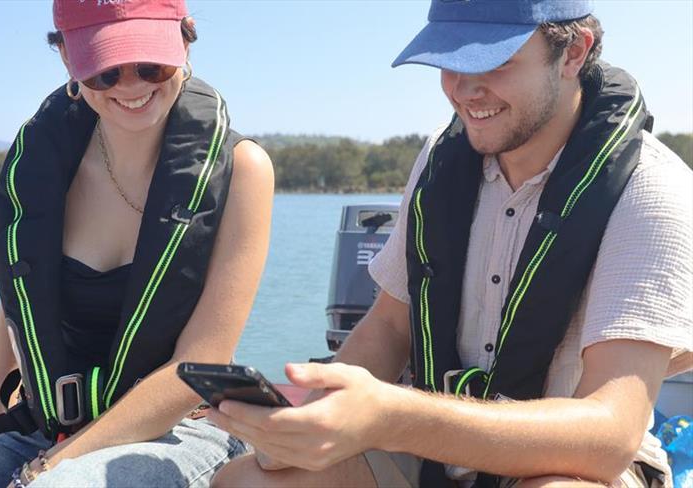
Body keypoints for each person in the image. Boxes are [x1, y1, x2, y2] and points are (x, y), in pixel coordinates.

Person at [208, 0, 692, 486]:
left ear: (572, 54)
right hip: (432, 453)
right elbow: (391, 327)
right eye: (449, 62)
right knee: (245, 480)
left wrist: (395, 417)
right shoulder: (443, 159)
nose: (464, 90)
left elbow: (609, 437)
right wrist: (305, 423)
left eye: (493, 60)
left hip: (573, 465)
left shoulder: (650, 190)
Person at [0, 0, 273, 487]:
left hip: (183, 428)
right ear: (68, 59)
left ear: (187, 41)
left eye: (152, 63)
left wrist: (48, 468)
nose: (130, 85)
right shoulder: (39, 166)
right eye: (104, 70)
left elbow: (202, 360)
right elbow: (19, 299)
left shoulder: (243, 170)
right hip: (49, 426)